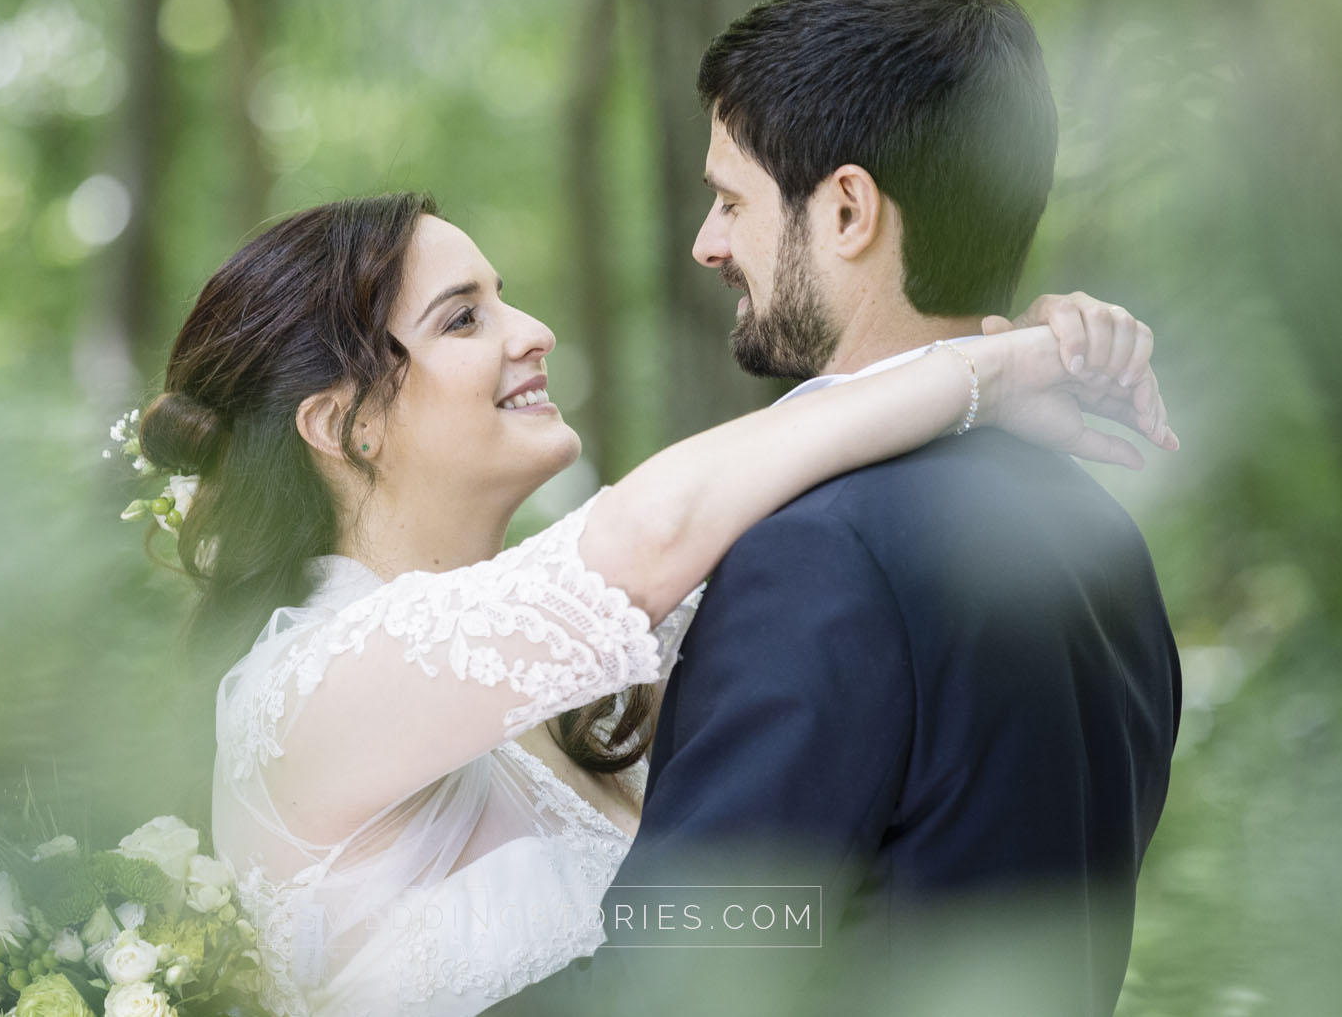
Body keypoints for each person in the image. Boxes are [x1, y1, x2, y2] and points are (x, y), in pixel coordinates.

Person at [129, 183, 1173, 1016]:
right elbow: (657, 528)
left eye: (504, 295)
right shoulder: (303, 696)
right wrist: (986, 370)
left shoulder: (577, 680)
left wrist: (998, 373)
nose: (531, 331)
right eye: (463, 318)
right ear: (342, 424)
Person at [506, 0, 1184, 1017]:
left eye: (731, 198)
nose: (707, 243)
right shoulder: (1092, 528)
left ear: (847, 209)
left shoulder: (818, 555)